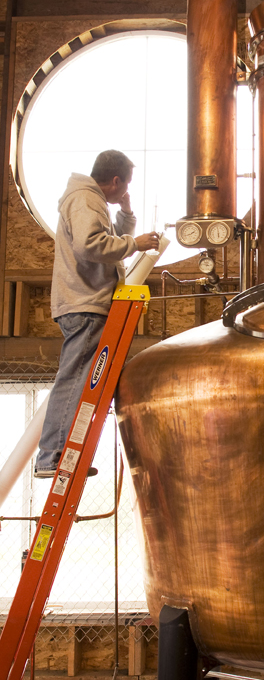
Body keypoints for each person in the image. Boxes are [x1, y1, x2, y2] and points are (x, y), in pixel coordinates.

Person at [34, 150, 159, 478]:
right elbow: (90, 244)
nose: (125, 191)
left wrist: (127, 215)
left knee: (83, 378)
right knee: (75, 376)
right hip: (85, 301)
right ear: (115, 181)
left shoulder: (90, 201)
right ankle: (52, 456)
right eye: (126, 185)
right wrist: (136, 243)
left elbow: (105, 238)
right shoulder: (85, 199)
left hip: (88, 301)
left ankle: (63, 451)